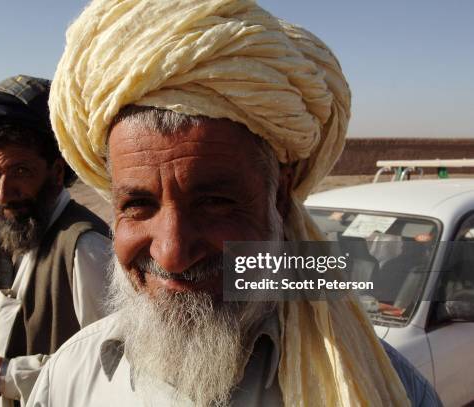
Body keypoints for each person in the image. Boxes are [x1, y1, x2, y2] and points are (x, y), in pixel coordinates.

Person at [28, 2, 441, 406]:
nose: (171, 254)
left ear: (279, 194)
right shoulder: (69, 380)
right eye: (138, 204)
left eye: (214, 202)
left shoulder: (390, 392)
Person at [0, 75, 111, 406]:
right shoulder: (29, 234)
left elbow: (111, 368)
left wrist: (3, 377)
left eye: (20, 172)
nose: (3, 193)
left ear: (57, 172)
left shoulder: (86, 249)